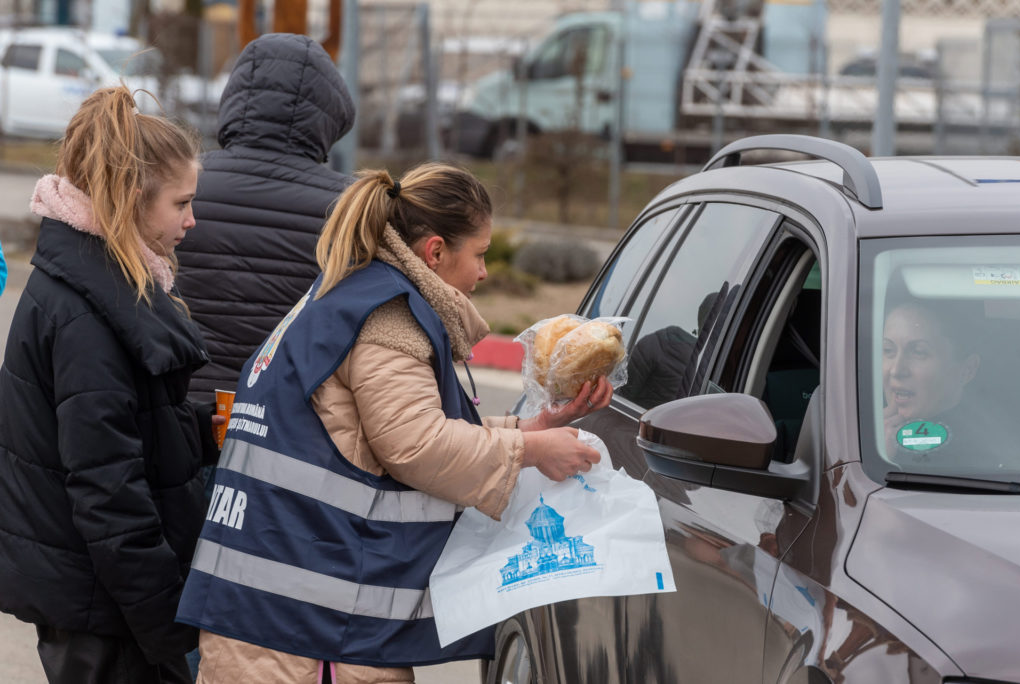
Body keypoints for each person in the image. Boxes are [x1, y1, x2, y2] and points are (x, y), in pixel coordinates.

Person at [176, 162, 613, 683]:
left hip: (276, 606)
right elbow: (416, 445)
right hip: (308, 628)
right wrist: (533, 453)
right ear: (434, 252)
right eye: (478, 254)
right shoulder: (388, 319)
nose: (484, 272)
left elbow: (387, 432)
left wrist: (529, 429)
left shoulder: (352, 294)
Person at [0, 85, 218, 683]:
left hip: (102, 602)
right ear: (130, 199)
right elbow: (107, 490)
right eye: (182, 203)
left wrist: (203, 431)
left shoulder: (99, 284)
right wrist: (167, 627)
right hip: (107, 611)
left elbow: (126, 426)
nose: (191, 221)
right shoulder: (87, 314)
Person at [175, 32, 356, 403]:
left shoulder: (180, 185)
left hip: (180, 413)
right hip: (284, 426)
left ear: (235, 98)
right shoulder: (351, 207)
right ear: (330, 113)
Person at [881, 298, 988, 460]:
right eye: (888, 350)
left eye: (918, 352)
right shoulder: (856, 437)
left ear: (967, 370)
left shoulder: (987, 454)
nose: (896, 370)